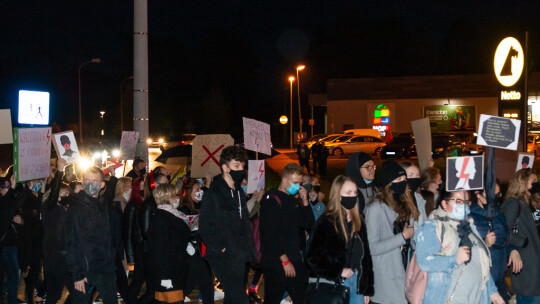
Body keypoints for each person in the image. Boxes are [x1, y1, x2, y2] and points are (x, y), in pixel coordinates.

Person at [415, 190, 505, 304]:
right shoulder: (432, 227)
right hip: (449, 298)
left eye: (466, 202)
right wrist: (454, 260)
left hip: (476, 298)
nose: (463, 205)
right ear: (444, 204)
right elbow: (424, 262)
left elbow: (481, 264)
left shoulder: (469, 227)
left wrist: (493, 292)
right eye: (458, 201)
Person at [199, 146, 256, 304]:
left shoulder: (238, 191)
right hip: (223, 255)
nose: (241, 170)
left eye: (242, 166)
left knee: (232, 297)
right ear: (225, 167)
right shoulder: (214, 193)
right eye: (236, 166)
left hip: (239, 253)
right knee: (240, 297)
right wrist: (222, 247)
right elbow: (204, 226)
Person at [306, 175, 372, 304]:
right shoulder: (327, 222)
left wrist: (366, 285)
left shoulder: (359, 222)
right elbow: (312, 256)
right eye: (348, 193)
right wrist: (338, 270)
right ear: (338, 195)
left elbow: (366, 257)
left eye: (354, 193)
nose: (352, 196)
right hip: (334, 284)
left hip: (356, 284)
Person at [259, 163, 315, 304]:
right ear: (284, 180)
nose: (298, 186)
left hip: (294, 259)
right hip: (277, 262)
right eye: (295, 182)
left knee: (302, 297)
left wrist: (305, 202)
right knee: (273, 298)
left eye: (300, 183)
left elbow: (308, 225)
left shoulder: (293, 200)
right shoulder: (272, 199)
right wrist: (285, 260)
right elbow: (269, 234)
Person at [365, 160, 418, 304]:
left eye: (404, 179)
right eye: (398, 179)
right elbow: (372, 247)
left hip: (406, 272)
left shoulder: (407, 205)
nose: (402, 182)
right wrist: (402, 237)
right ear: (388, 183)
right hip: (387, 277)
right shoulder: (375, 209)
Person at [65, 166, 118, 304]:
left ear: (102, 185)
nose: (90, 183)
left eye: (94, 181)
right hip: (86, 271)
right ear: (82, 182)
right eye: (87, 180)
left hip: (106, 268)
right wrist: (77, 275)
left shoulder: (103, 205)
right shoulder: (76, 208)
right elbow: (71, 242)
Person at [502, 168, 540, 303]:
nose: (536, 184)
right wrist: (523, 243)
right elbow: (506, 229)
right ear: (522, 183)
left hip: (534, 261)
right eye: (533, 181)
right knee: (529, 298)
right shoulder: (514, 203)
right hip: (526, 263)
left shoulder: (533, 203)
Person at [147, 184, 190, 304]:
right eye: (176, 195)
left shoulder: (172, 214)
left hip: (175, 269)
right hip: (169, 272)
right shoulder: (161, 218)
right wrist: (164, 276)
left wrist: (188, 244)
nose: (178, 198)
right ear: (169, 197)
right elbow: (160, 249)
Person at [41, 158, 75, 304]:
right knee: (54, 293)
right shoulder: (50, 207)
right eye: (64, 192)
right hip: (54, 255)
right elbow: (54, 193)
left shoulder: (65, 206)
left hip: (65, 254)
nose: (67, 195)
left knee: (75, 291)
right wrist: (59, 171)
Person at [469, 186, 510, 301]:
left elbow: (506, 240)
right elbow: (467, 249)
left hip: (500, 275)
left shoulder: (499, 214)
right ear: (478, 194)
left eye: (497, 194)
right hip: (483, 278)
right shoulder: (470, 217)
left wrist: (513, 251)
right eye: (492, 194)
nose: (495, 198)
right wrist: (485, 243)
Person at [179, 179, 215, 304]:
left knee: (193, 283)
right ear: (189, 192)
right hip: (192, 252)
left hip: (201, 250)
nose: (200, 192)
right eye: (197, 190)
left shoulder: (200, 205)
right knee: (205, 285)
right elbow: (180, 231)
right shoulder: (183, 209)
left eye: (200, 189)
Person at [0, 175, 23, 304]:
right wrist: (13, 188)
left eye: (9, 187)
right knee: (14, 277)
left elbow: (14, 209)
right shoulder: (3, 202)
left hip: (12, 244)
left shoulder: (8, 201)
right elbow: (8, 210)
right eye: (6, 187)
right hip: (6, 245)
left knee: (12, 277)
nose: (8, 190)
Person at [400, 161, 428, 228]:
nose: (415, 178)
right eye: (411, 175)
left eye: (417, 175)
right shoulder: (398, 200)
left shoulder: (419, 198)